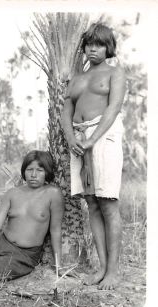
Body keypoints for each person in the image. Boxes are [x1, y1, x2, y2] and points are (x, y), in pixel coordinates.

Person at [61, 23, 126, 290]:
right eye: (89, 44)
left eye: (98, 44)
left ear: (108, 47)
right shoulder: (76, 78)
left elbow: (113, 109)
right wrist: (71, 138)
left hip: (103, 137)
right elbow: (66, 110)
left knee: (108, 202)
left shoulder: (115, 72)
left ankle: (113, 272)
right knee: (92, 203)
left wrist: (91, 140)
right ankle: (101, 268)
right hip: (79, 140)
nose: (93, 49)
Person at [0, 150, 73, 287]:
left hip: (25, 254)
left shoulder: (53, 194)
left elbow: (55, 230)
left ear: (47, 172)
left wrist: (58, 264)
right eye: (29, 170)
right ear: (24, 171)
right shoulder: (13, 193)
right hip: (1, 242)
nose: (33, 175)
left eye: (40, 170)